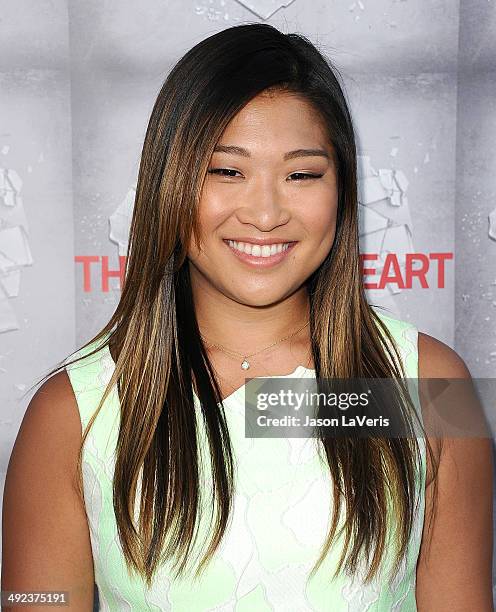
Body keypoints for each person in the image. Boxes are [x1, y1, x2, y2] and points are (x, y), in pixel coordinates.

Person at [2, 23, 493, 611]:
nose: (265, 213)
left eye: (302, 174)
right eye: (227, 171)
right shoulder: (73, 412)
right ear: (171, 182)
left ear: (342, 189)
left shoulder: (434, 385)